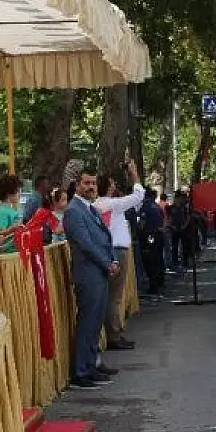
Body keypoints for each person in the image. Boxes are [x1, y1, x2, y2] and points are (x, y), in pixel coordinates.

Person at [64, 167, 120, 390]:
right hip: (88, 274)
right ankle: (81, 372)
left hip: (100, 272)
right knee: (88, 323)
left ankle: (91, 363)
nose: (91, 187)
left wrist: (113, 259)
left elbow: (105, 238)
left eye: (94, 183)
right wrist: (107, 263)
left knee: (96, 323)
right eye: (86, 183)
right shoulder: (73, 211)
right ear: (77, 185)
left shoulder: (90, 209)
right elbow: (86, 244)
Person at [93, 160, 144, 351]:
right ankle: (114, 334)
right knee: (114, 295)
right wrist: (134, 174)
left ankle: (112, 331)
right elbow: (138, 195)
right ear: (108, 187)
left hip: (107, 249)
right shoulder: (112, 204)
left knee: (110, 295)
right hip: (117, 250)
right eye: (113, 183)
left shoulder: (97, 205)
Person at [137, 188, 166, 297]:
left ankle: (153, 286)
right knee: (158, 258)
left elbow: (142, 223)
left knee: (149, 260)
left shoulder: (145, 207)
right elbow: (163, 220)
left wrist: (138, 233)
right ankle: (160, 281)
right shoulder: (157, 207)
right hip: (158, 235)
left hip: (149, 237)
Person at [0, 175, 23, 253]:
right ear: (9, 193)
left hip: (14, 250)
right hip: (7, 252)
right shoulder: (2, 211)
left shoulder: (12, 209)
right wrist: (11, 229)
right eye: (17, 191)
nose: (19, 194)